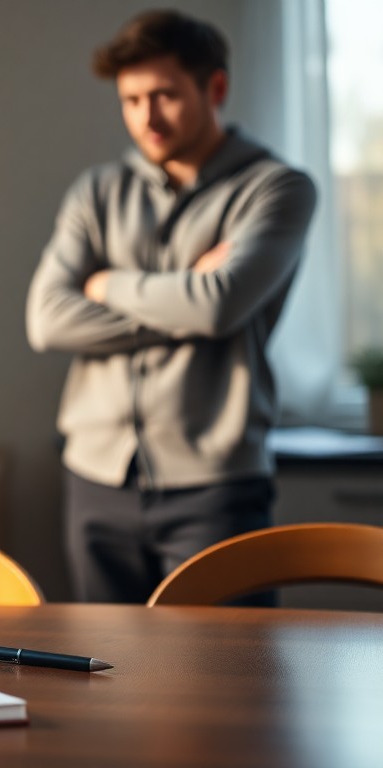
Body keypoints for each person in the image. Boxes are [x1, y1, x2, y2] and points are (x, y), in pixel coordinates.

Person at [25, 10, 316, 603]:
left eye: (164, 95)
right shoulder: (97, 191)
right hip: (95, 478)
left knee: (226, 680)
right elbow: (48, 319)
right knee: (106, 679)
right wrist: (186, 294)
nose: (146, 117)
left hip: (218, 483)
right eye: (130, 100)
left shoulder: (277, 188)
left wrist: (107, 285)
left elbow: (217, 306)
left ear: (216, 88)